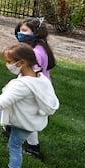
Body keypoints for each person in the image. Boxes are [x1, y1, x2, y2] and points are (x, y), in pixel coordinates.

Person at [13, 17, 56, 159]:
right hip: (38, 88)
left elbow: (32, 74)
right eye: (20, 30)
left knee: (28, 118)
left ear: (36, 33)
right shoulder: (41, 48)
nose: (20, 33)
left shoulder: (36, 52)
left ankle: (33, 148)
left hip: (33, 90)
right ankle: (9, 127)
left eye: (24, 30)